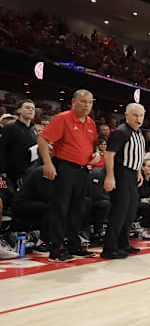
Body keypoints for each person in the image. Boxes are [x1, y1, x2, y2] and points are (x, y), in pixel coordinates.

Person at [38, 89, 100, 262]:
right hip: (64, 167)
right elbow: (43, 140)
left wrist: (95, 155)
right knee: (60, 208)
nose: (87, 105)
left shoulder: (91, 123)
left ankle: (74, 245)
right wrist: (48, 163)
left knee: (77, 209)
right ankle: (56, 249)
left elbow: (94, 147)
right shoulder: (62, 118)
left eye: (90, 102)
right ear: (74, 102)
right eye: (83, 101)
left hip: (82, 170)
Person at [102, 103, 146, 259]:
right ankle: (109, 248)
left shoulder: (139, 132)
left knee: (130, 212)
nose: (138, 119)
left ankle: (123, 243)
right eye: (135, 115)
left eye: (141, 116)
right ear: (126, 115)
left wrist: (139, 171)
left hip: (133, 175)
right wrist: (110, 176)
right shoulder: (121, 132)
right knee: (119, 212)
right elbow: (109, 155)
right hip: (121, 174)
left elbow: (138, 155)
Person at [0, 99, 38, 194]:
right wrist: (2, 170)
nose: (31, 110)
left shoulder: (35, 131)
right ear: (19, 111)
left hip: (29, 173)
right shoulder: (10, 128)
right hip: (11, 174)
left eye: (33, 108)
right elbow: (1, 150)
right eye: (27, 107)